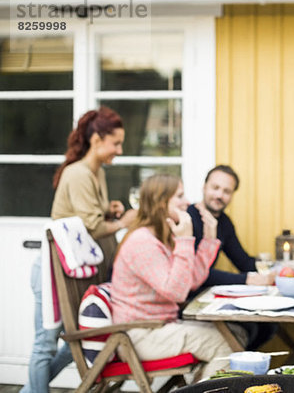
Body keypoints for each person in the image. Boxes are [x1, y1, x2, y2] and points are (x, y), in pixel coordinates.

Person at [22, 107, 137, 393]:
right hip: (53, 272)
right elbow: (93, 227)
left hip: (73, 272)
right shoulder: (78, 174)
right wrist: (123, 222)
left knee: (75, 339)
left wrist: (109, 210)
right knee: (44, 345)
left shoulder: (96, 172)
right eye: (116, 143)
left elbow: (86, 217)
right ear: (97, 140)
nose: (119, 150)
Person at [111, 174, 233, 380]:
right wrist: (185, 240)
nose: (187, 202)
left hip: (160, 328)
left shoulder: (161, 237)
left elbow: (190, 281)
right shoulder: (143, 242)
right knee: (225, 347)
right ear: (160, 203)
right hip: (139, 336)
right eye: (180, 196)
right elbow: (177, 292)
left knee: (235, 334)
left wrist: (209, 240)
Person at [187, 165, 276, 351]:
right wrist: (247, 279)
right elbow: (195, 273)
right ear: (204, 187)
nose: (219, 195)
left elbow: (243, 261)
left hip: (208, 297)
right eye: (215, 188)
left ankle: (241, 367)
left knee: (268, 326)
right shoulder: (189, 219)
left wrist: (280, 269)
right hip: (188, 301)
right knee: (250, 327)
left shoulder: (224, 223)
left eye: (226, 191)